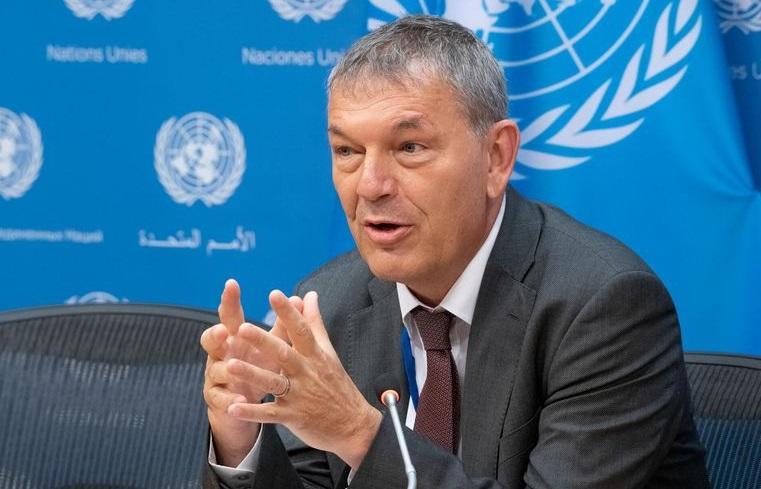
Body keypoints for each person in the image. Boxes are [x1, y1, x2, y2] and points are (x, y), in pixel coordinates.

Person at [200, 15, 709, 489]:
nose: (370, 185)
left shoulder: (605, 308)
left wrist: (360, 435)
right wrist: (240, 440)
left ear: (496, 157)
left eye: (410, 148)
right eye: (347, 151)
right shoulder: (331, 302)